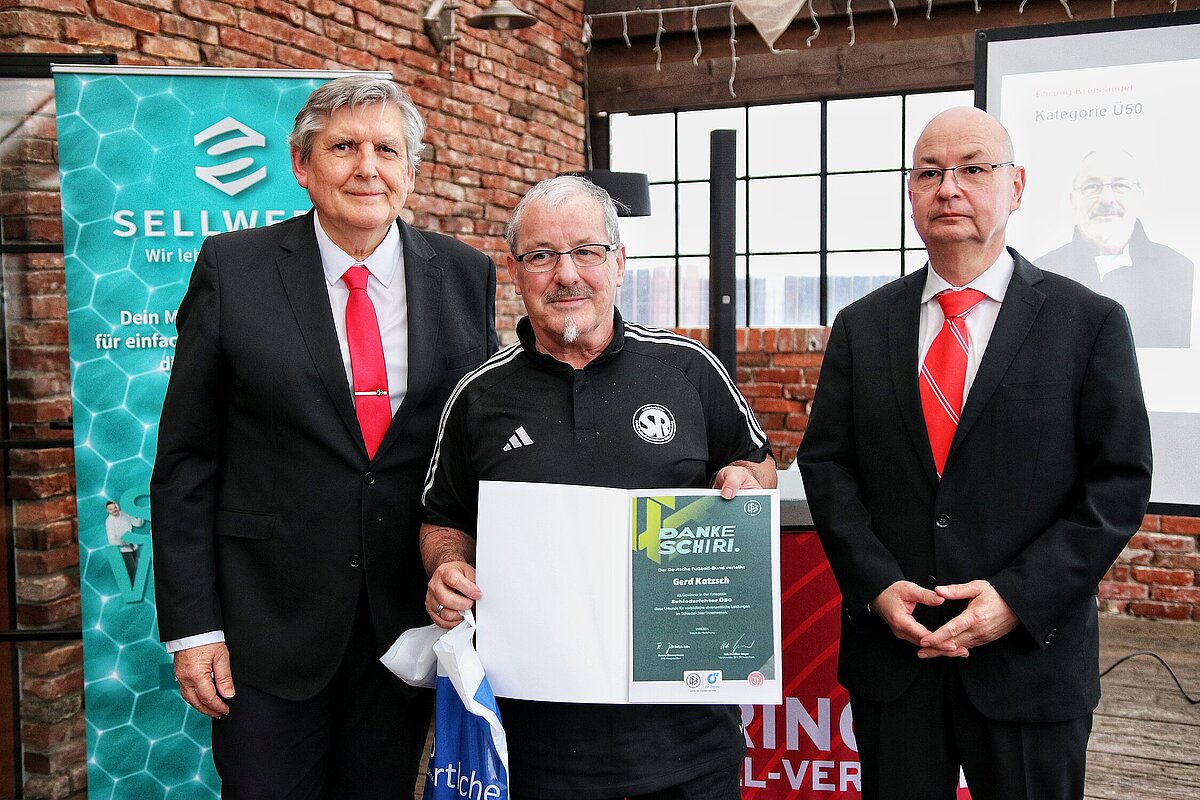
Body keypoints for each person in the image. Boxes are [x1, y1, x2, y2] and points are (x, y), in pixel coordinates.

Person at [150, 75, 498, 798]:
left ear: (411, 172)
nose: (367, 168)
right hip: (265, 630)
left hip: (406, 627)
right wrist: (193, 629)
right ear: (302, 165)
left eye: (387, 150)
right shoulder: (233, 269)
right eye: (343, 147)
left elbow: (478, 442)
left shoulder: (466, 275)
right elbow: (187, 461)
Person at [795, 108, 1152, 800]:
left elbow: (1117, 484)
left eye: (973, 169)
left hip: (1029, 661)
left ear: (1016, 187)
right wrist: (876, 586)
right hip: (896, 657)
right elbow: (828, 467)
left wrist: (1017, 599)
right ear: (911, 194)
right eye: (930, 173)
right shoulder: (863, 326)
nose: (949, 188)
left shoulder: (1088, 323)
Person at [419, 175, 776, 800]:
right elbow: (442, 518)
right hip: (532, 750)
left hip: (688, 745)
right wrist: (447, 567)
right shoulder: (477, 395)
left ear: (619, 262)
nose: (566, 274)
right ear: (516, 271)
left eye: (586, 251)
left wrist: (746, 480)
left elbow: (759, 465)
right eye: (542, 256)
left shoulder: (689, 370)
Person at [1038, 149, 1194, 348]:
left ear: (1140, 195)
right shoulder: (1039, 274)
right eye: (1092, 186)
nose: (1106, 199)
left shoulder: (1181, 270)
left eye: (1121, 185)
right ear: (1072, 198)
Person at [104, 500, 144, 583]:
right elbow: (111, 540)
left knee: (136, 570)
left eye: (115, 507)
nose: (114, 510)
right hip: (123, 550)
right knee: (132, 571)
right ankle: (134, 589)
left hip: (134, 547)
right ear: (107, 511)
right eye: (111, 509)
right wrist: (124, 542)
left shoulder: (125, 514)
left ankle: (136, 588)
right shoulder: (109, 522)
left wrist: (141, 514)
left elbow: (138, 523)